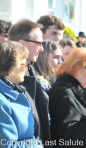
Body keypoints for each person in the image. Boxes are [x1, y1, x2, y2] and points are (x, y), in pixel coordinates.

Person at [8, 19, 51, 147]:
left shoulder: (30, 69)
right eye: (38, 44)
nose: (42, 49)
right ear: (22, 43)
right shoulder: (9, 75)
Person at [0, 41, 41, 147]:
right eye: (24, 64)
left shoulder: (15, 90)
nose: (27, 68)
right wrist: (36, 145)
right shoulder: (2, 100)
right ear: (12, 68)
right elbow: (6, 145)